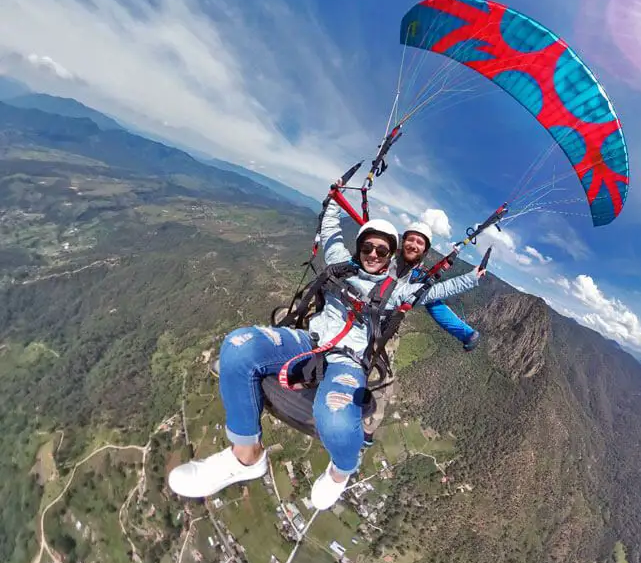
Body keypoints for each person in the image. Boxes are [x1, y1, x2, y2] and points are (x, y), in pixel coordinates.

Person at [167, 193, 484, 510]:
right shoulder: (343, 263)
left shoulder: (406, 285)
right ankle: (245, 456)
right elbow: (331, 228)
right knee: (238, 346)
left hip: (353, 355)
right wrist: (335, 196)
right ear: (363, 248)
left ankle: (341, 471)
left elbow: (437, 295)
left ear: (394, 254)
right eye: (367, 248)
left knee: (343, 412)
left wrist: (472, 284)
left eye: (381, 250)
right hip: (313, 339)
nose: (373, 254)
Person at [392, 221, 481, 352]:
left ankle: (466, 333)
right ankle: (466, 333)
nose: (413, 245)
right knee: (429, 296)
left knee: (431, 299)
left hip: (390, 315)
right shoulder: (385, 256)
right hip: (385, 308)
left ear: (425, 250)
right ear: (403, 241)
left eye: (419, 242)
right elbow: (431, 293)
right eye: (410, 239)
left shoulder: (417, 269)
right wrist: (469, 279)